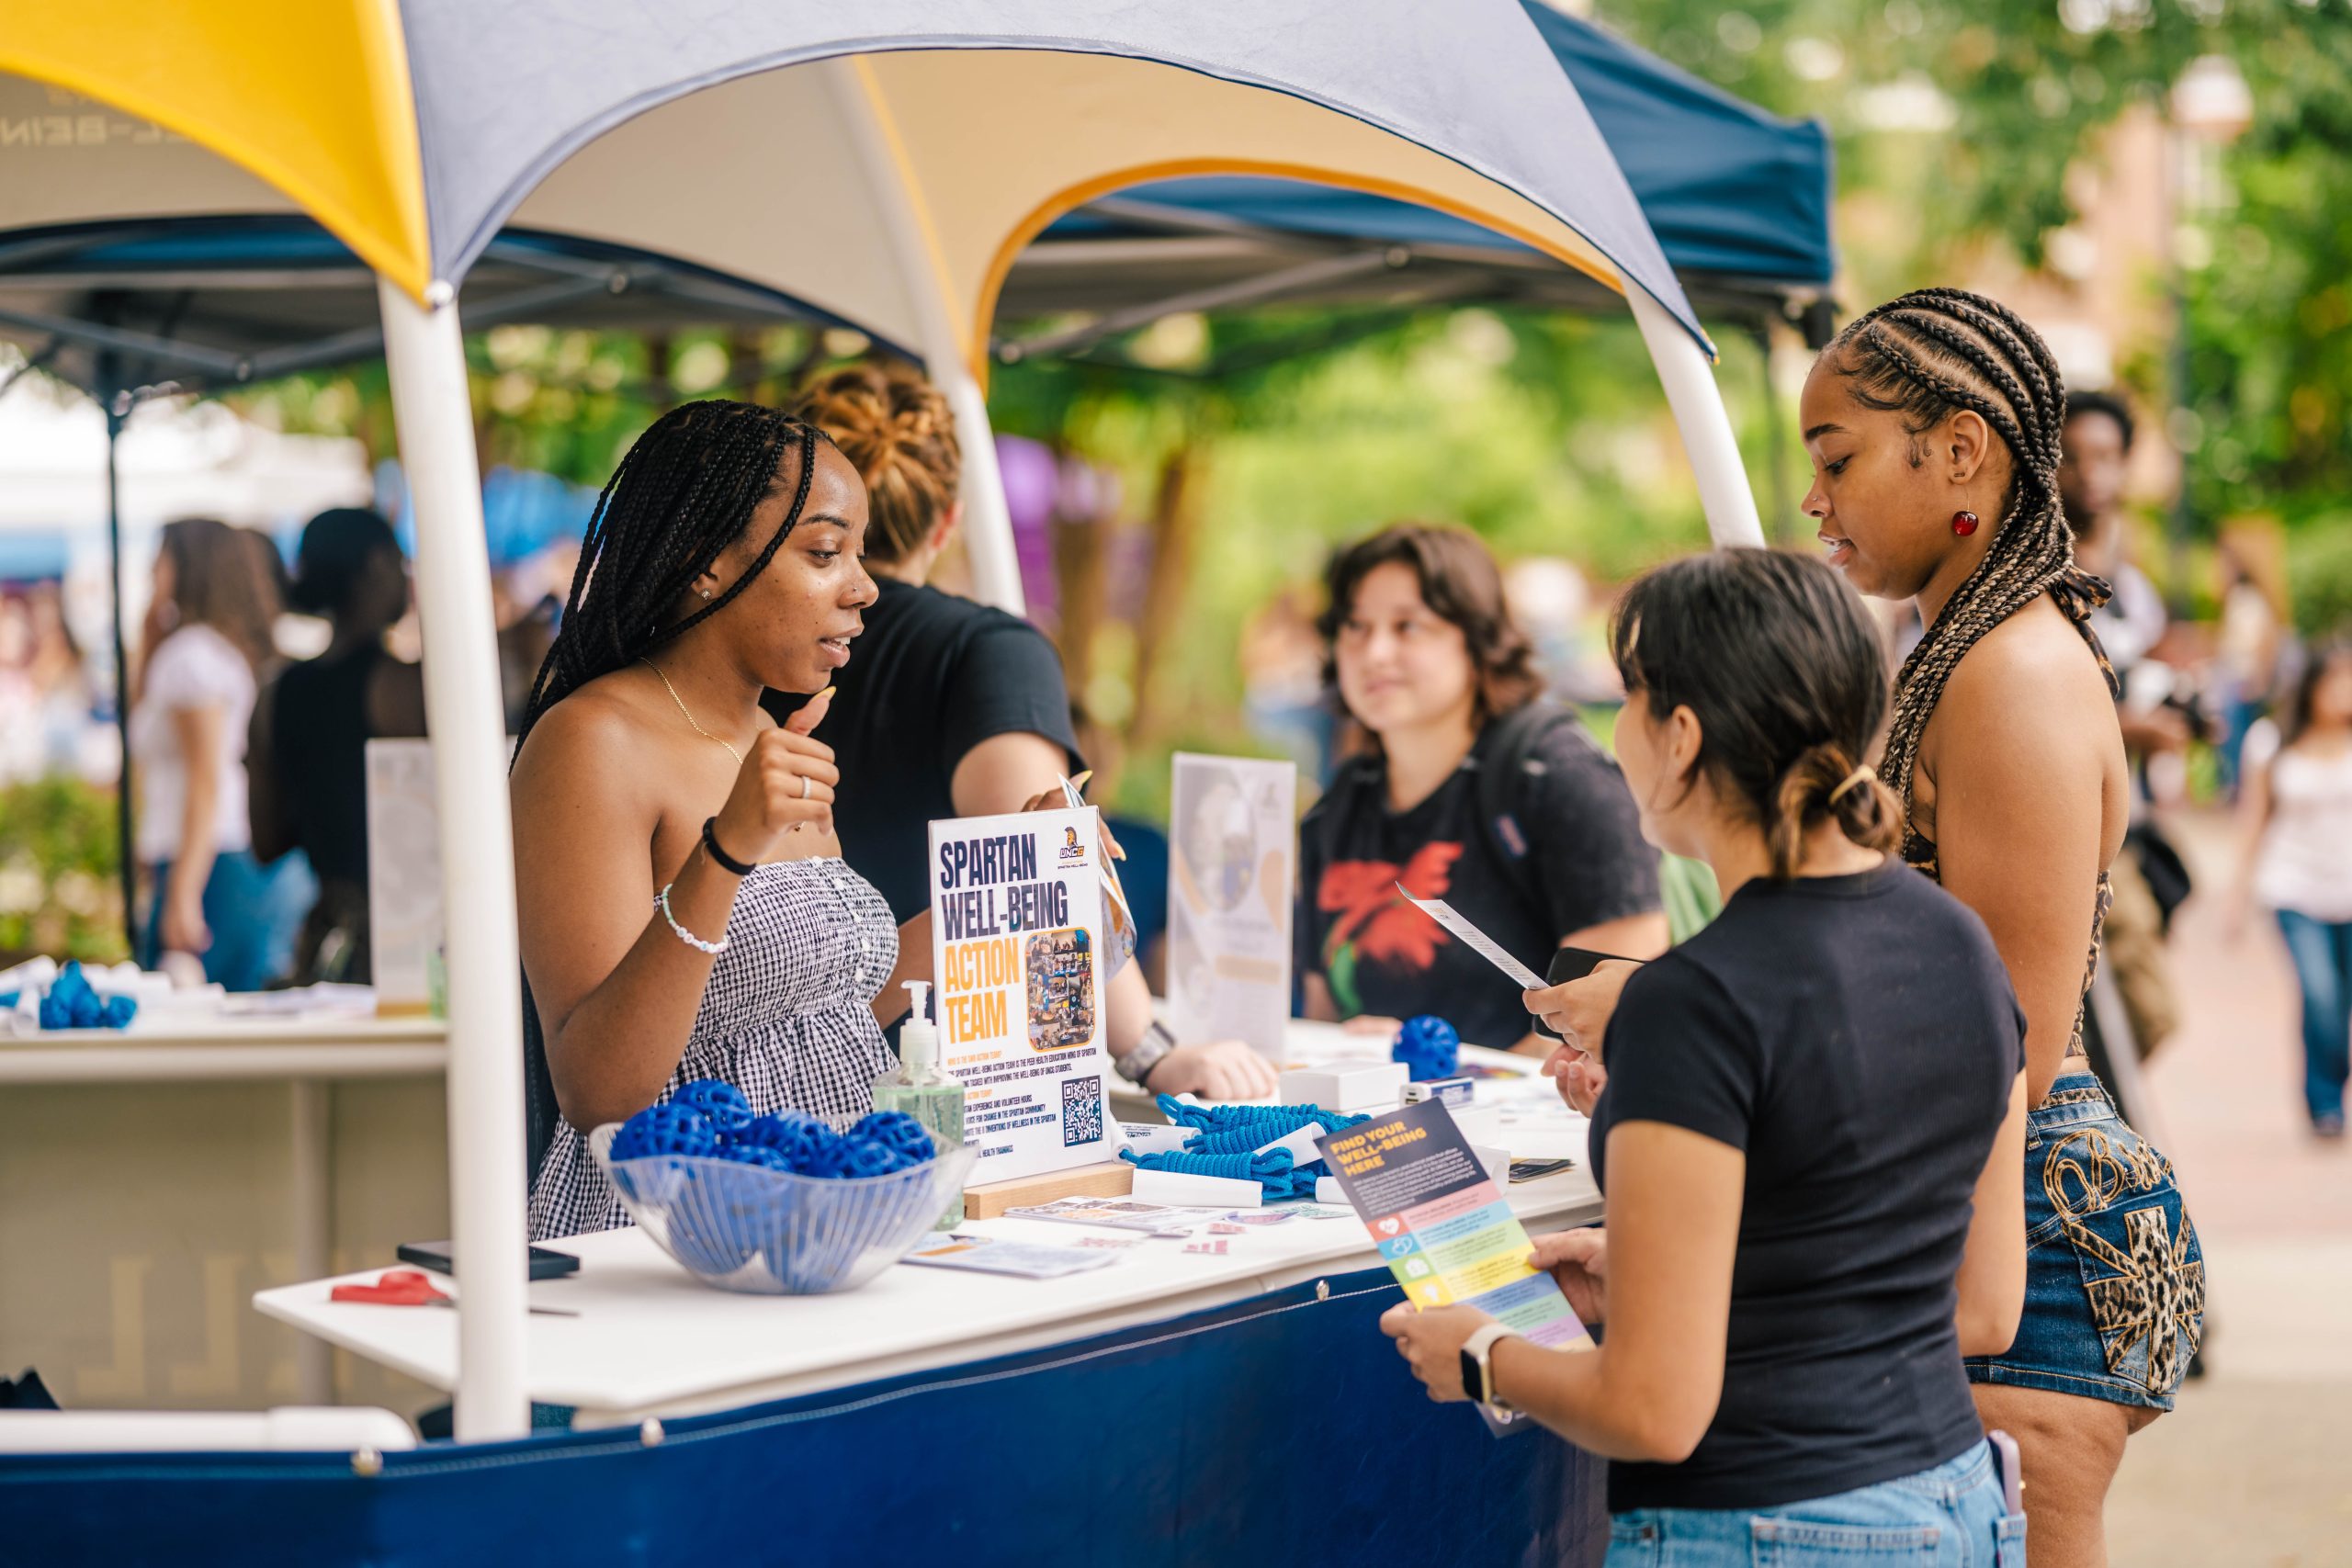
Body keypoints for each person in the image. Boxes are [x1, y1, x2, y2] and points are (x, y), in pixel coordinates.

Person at [1382, 549, 2030, 1564]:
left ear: (1680, 736)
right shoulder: (1963, 944)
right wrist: (1682, 1286)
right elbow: (1981, 1306)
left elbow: (1651, 1410)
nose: (1615, 733)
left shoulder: (1692, 1001)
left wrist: (1481, 1355)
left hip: (1769, 1528)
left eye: (1628, 699)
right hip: (1957, 1509)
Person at [1792, 289, 2199, 1568]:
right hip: (1999, 1224)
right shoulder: (1965, 653)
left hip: (2035, 1246)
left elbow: (2004, 1043)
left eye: (1837, 459)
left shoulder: (2013, 673)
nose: (1814, 500)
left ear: (1960, 449)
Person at [764, 362, 1275, 1100]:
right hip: (932, 1088)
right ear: (949, 520)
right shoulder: (985, 651)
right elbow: (1043, 869)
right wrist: (1149, 1052)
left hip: (750, 1069)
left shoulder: (744, 646)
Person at [511, 400, 888, 1239]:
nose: (864, 586)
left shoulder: (768, 736)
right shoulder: (591, 741)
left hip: (830, 1218)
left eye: (860, 553)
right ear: (706, 562)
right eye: (825, 552)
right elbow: (599, 1090)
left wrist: (1024, 863)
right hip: (677, 1235)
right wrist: (726, 849)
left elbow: (817, 1007)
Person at [1296, 524, 1666, 1055]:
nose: (1374, 652)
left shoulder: (1557, 778)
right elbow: (1321, 1020)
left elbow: (1610, 1016)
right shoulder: (1336, 809)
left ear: (1475, 638)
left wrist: (1449, 1081)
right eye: (1355, 626)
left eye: (1408, 626)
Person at [248, 507, 427, 984]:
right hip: (409, 940)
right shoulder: (405, 687)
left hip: (327, 940)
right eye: (400, 561)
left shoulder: (276, 692)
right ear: (376, 564)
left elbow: (265, 842)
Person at [130, 517, 308, 990]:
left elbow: (206, 777)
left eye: (161, 559)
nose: (151, 571)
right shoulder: (214, 649)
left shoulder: (190, 656)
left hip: (207, 861)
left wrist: (183, 892)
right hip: (222, 854)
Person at [2231, 639, 2352, 1137]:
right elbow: (2253, 820)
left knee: (2339, 1002)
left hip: (2347, 890)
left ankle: (2329, 1085)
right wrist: (2236, 897)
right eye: (2336, 680)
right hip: (2293, 888)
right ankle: (2325, 1103)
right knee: (2319, 992)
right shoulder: (2270, 741)